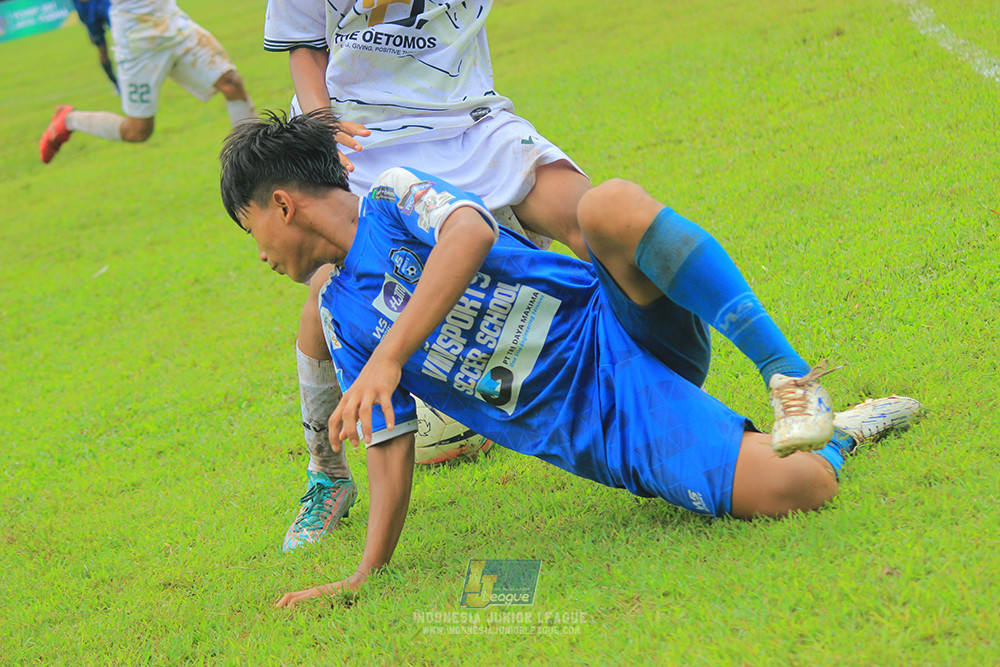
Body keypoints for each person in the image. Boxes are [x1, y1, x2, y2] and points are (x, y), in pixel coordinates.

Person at [217, 111, 921, 608]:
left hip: (616, 319)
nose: (261, 255)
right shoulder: (340, 318)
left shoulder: (397, 196)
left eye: (253, 230)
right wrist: (367, 573)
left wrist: (393, 355)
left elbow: (468, 232)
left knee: (609, 205)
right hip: (599, 420)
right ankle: (846, 433)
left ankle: (792, 381)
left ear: (282, 204)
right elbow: (389, 444)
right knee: (801, 489)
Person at [262, 0, 596, 552]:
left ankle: (629, 360)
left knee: (587, 215)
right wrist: (322, 130)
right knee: (328, 299)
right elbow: (304, 44)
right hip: (355, 137)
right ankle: (327, 474)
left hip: (467, 121)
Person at [39, 0, 255, 164]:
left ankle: (253, 159)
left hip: (171, 19)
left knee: (231, 82)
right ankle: (69, 120)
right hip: (136, 36)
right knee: (138, 130)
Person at [71, 0, 119, 92]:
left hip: (102, 4)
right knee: (101, 49)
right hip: (85, 9)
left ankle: (132, 77)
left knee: (122, 40)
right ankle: (115, 83)